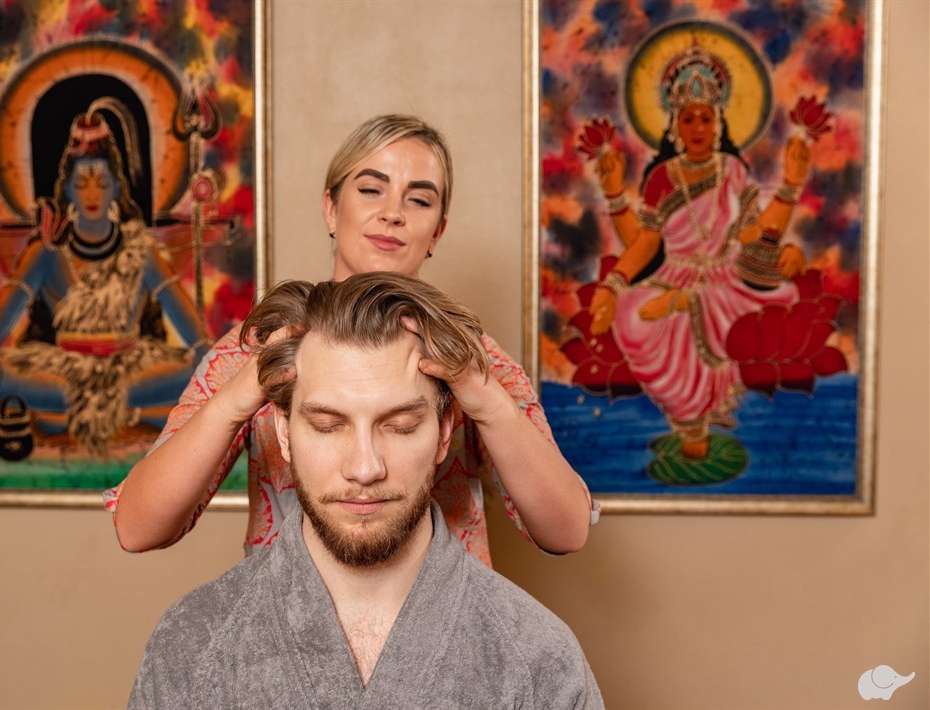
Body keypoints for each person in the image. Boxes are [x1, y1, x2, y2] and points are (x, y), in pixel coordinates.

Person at [109, 114, 597, 564]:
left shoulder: (474, 359)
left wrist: (486, 401)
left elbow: (566, 532)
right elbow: (137, 529)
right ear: (331, 207)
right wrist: (236, 399)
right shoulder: (256, 349)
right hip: (286, 621)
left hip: (444, 624)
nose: (393, 213)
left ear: (437, 231)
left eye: (419, 199)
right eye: (371, 190)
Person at [128, 273, 604, 709]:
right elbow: (138, 525)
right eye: (327, 425)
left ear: (444, 433)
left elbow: (565, 528)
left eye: (400, 426)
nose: (364, 468)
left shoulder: (541, 661)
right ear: (285, 432)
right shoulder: (189, 647)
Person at [588, 44, 811, 460]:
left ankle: (698, 420)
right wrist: (613, 284)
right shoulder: (661, 177)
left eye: (705, 118)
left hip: (725, 277)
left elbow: (753, 233)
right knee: (632, 316)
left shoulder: (733, 172)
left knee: (785, 297)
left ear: (718, 121)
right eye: (688, 118)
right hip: (673, 275)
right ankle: (691, 428)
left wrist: (791, 188)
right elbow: (646, 242)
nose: (697, 127)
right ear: (675, 124)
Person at [0, 103, 209, 456]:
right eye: (82, 184)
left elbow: (180, 310)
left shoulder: (140, 249)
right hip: (63, 370)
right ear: (67, 190)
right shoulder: (47, 252)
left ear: (116, 188)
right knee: (2, 375)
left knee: (194, 371)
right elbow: (8, 305)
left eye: (102, 183)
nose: (93, 194)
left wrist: (204, 351)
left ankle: (68, 417)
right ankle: (131, 414)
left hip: (130, 369)